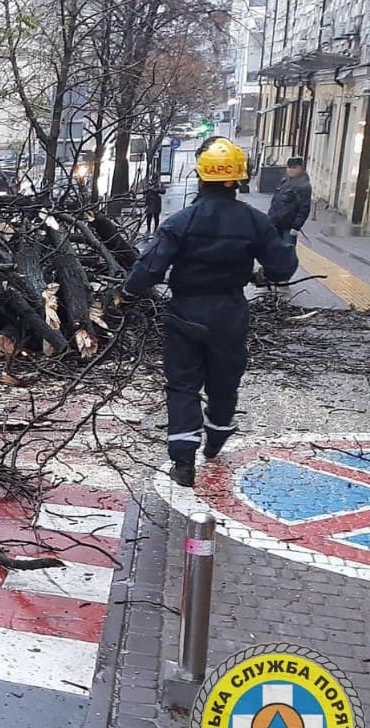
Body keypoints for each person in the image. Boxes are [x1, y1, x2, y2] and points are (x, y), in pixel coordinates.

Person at [120, 137, 298, 488]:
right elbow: (282, 268)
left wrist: (126, 294)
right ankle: (216, 437)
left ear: (201, 177)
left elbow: (150, 268)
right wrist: (273, 263)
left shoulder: (181, 221)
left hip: (185, 313)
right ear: (239, 179)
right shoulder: (255, 222)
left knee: (182, 385)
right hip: (229, 314)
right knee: (224, 380)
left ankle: (183, 461)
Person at [268, 156, 312, 251]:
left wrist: (296, 227)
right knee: (274, 251)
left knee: (287, 252)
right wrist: (270, 218)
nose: (291, 170)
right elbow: (275, 201)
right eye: (289, 167)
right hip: (275, 224)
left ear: (300, 168)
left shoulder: (304, 186)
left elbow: (304, 208)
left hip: (289, 227)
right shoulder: (284, 182)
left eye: (294, 167)